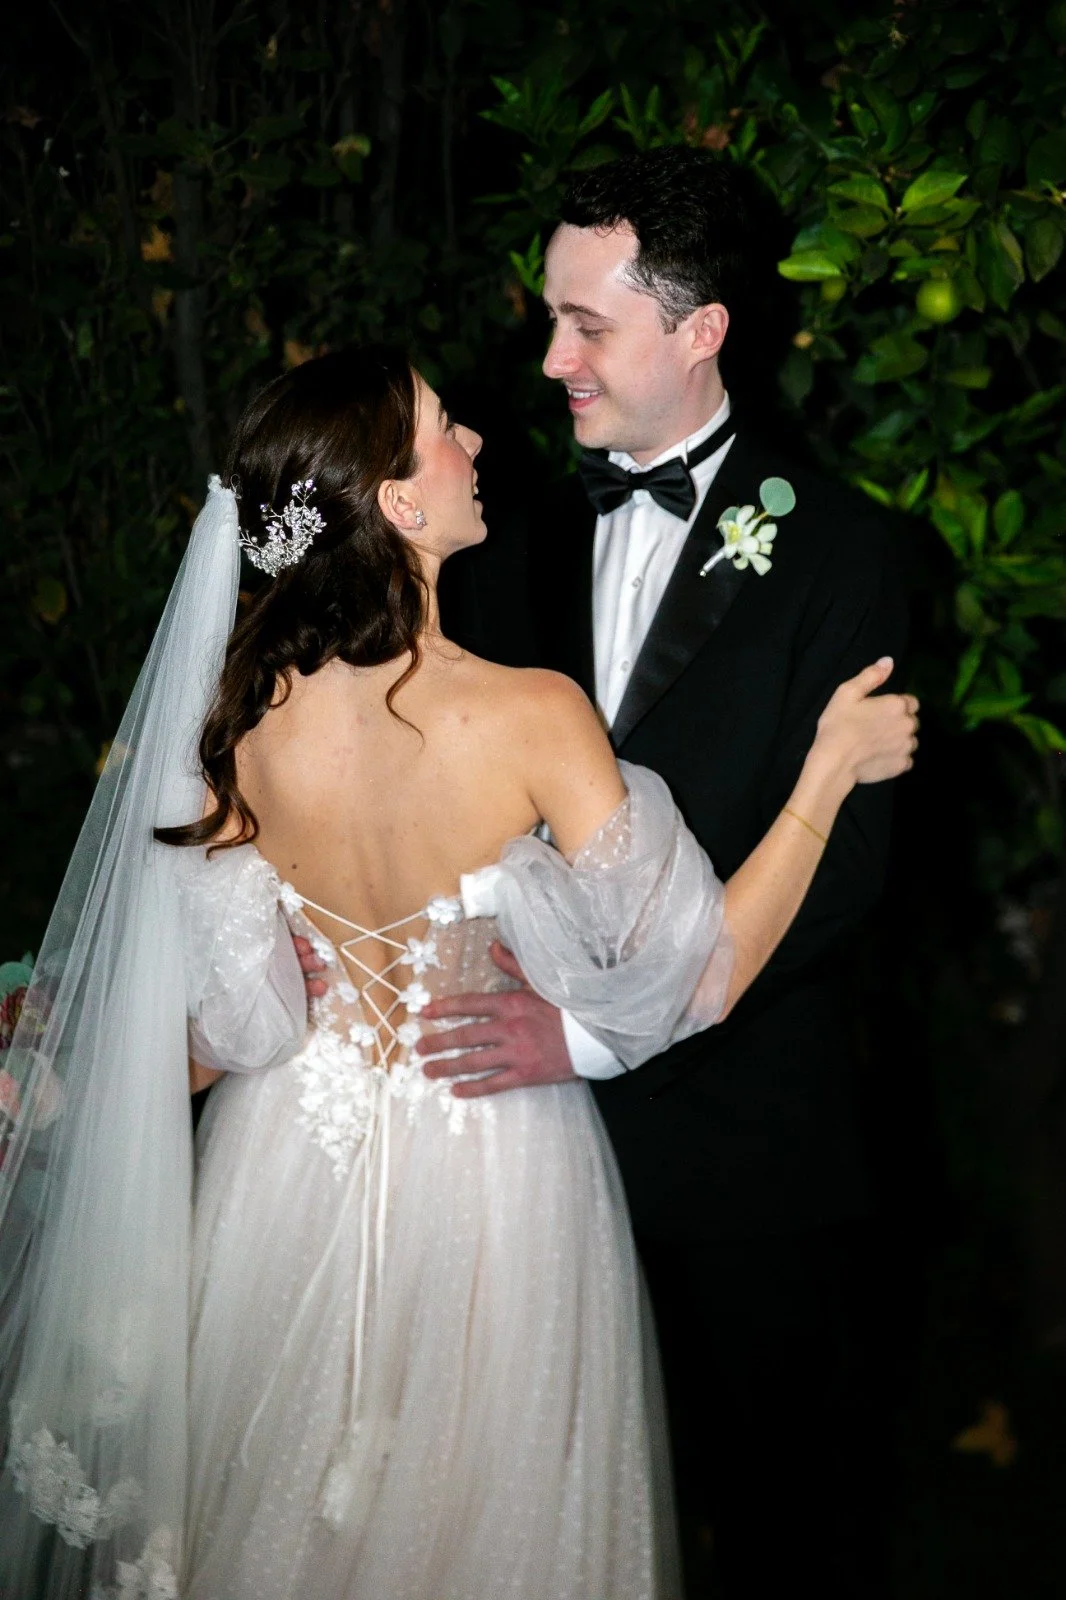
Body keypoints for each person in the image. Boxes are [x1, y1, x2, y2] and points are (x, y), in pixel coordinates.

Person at [0, 347, 916, 1600]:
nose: (476, 440)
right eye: (442, 428)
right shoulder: (534, 715)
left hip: (284, 1169)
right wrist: (824, 775)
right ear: (397, 504)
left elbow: (230, 1033)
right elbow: (691, 978)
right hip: (498, 1167)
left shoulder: (238, 725)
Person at [432, 147, 910, 1597]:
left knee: (777, 1520)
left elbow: (845, 873)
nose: (552, 357)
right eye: (551, 317)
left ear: (699, 330)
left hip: (749, 1141)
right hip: (525, 1157)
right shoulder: (495, 540)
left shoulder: (845, 551)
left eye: (589, 326)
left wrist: (590, 1034)